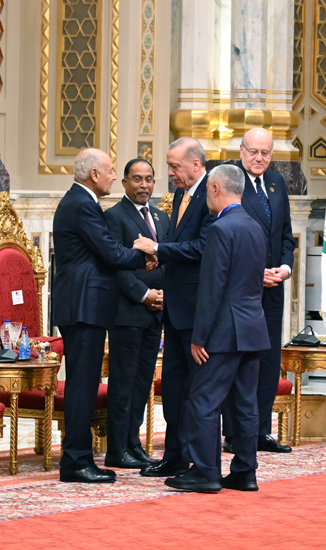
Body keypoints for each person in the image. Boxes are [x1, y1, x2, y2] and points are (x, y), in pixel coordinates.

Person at [164, 164, 269, 493]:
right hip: (253, 328)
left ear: (215, 189)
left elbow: (213, 288)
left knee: (203, 400)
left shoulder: (221, 229)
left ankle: (206, 471)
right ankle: (245, 472)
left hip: (224, 331)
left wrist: (199, 337)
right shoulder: (255, 226)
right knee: (245, 404)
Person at [52, 148, 154, 483]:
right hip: (83, 306)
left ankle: (79, 458)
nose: (113, 176)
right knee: (82, 386)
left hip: (85, 305)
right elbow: (109, 252)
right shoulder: (82, 204)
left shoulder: (82, 201)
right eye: (110, 171)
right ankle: (76, 461)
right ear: (93, 174)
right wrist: (143, 255)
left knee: (84, 383)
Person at [133, 137, 215, 478]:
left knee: (195, 390)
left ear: (195, 164)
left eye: (174, 166)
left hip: (197, 310)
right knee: (174, 387)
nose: (169, 173)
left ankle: (198, 460)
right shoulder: (181, 194)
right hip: (175, 309)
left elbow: (202, 247)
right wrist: (160, 257)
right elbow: (180, 244)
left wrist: (159, 249)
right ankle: (175, 456)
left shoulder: (212, 194)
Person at [221, 127, 295, 454]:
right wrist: (254, 273)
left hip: (273, 289)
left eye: (265, 153)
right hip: (242, 291)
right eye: (253, 152)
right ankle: (235, 433)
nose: (259, 158)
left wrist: (286, 268)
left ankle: (261, 431)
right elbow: (223, 238)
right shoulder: (231, 183)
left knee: (267, 360)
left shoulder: (277, 184)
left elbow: (286, 236)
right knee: (239, 360)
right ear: (241, 151)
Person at [103, 158, 167, 469]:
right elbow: (115, 266)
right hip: (128, 313)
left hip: (156, 315)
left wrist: (163, 295)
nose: (144, 185)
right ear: (125, 183)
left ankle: (133, 444)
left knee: (142, 383)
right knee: (124, 383)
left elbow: (168, 260)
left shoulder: (161, 217)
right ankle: (117, 449)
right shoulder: (114, 217)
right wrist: (144, 295)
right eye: (137, 179)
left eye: (149, 179)